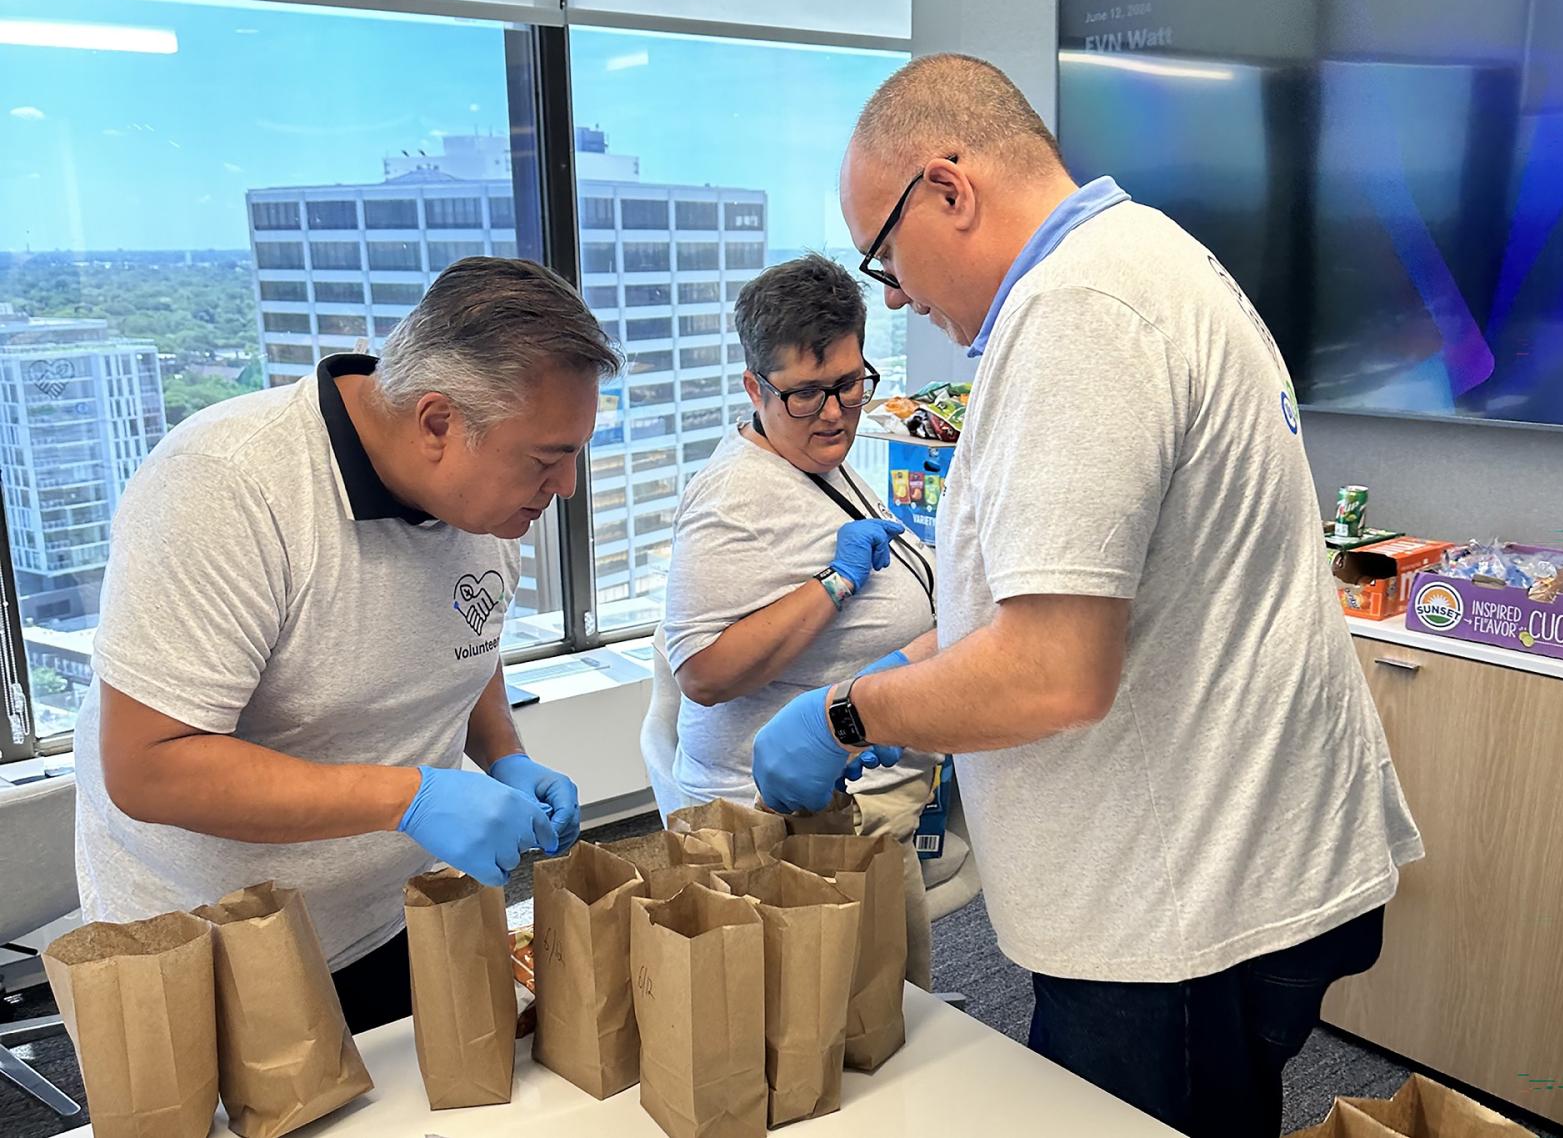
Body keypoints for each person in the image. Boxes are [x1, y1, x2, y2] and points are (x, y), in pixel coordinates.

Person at [750, 55, 1424, 1138]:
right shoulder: (1139, 261)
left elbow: (1052, 668)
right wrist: (910, 669)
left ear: (949, 188)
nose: (899, 297)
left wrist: (848, 712)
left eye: (886, 258)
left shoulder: (1079, 314)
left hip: (1181, 910)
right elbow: (1064, 598)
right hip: (1201, 872)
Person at [73, 257, 619, 1032]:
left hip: (392, 915)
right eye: (547, 458)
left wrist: (503, 755)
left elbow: (465, 631)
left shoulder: (489, 501)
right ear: (437, 423)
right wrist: (411, 797)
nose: (565, 487)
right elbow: (147, 765)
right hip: (209, 946)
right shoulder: (229, 487)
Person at [662, 253, 939, 988]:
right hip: (776, 823)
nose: (835, 411)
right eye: (806, 394)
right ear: (755, 387)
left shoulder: (818, 455)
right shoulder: (733, 497)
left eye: (850, 384)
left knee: (885, 1014)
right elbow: (703, 673)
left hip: (849, 804)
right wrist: (835, 582)